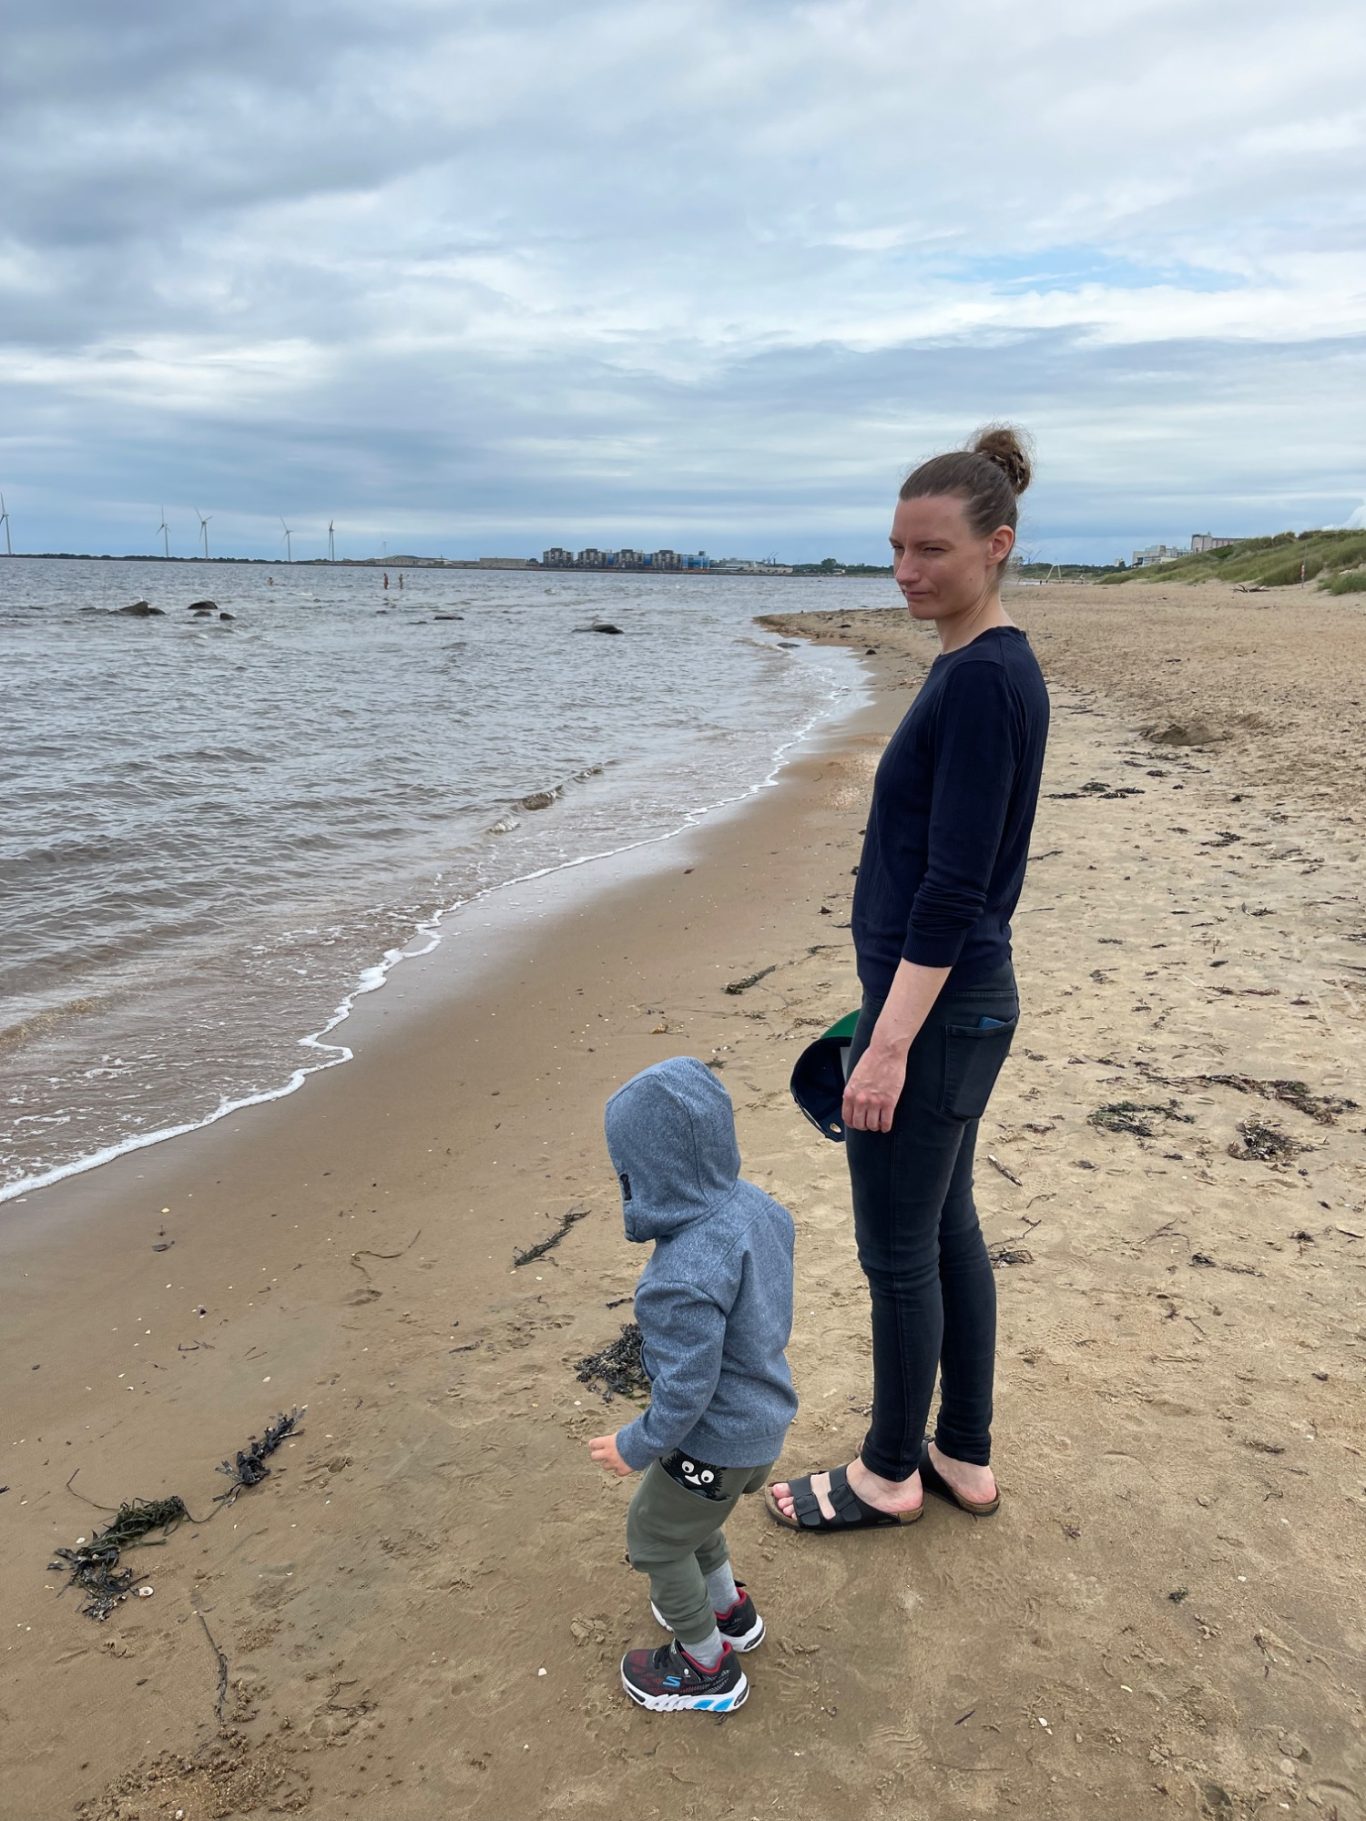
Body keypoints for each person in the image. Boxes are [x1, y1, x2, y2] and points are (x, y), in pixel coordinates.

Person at [768, 424, 1050, 1533]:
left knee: (898, 1250)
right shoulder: (983, 667)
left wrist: (883, 1043)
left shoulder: (983, 680)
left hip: (935, 1014)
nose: (904, 571)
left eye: (931, 549)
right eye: (894, 547)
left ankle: (889, 1472)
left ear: (995, 545)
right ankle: (961, 1451)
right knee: (945, 1231)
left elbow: (950, 888)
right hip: (958, 1007)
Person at [588, 1057, 797, 1712]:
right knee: (694, 1519)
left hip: (713, 1441)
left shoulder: (677, 1275)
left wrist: (636, 1442)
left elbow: (685, 1391)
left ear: (640, 1174)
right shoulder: (761, 1209)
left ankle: (707, 1667)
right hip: (763, 1420)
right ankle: (729, 1608)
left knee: (653, 1534)